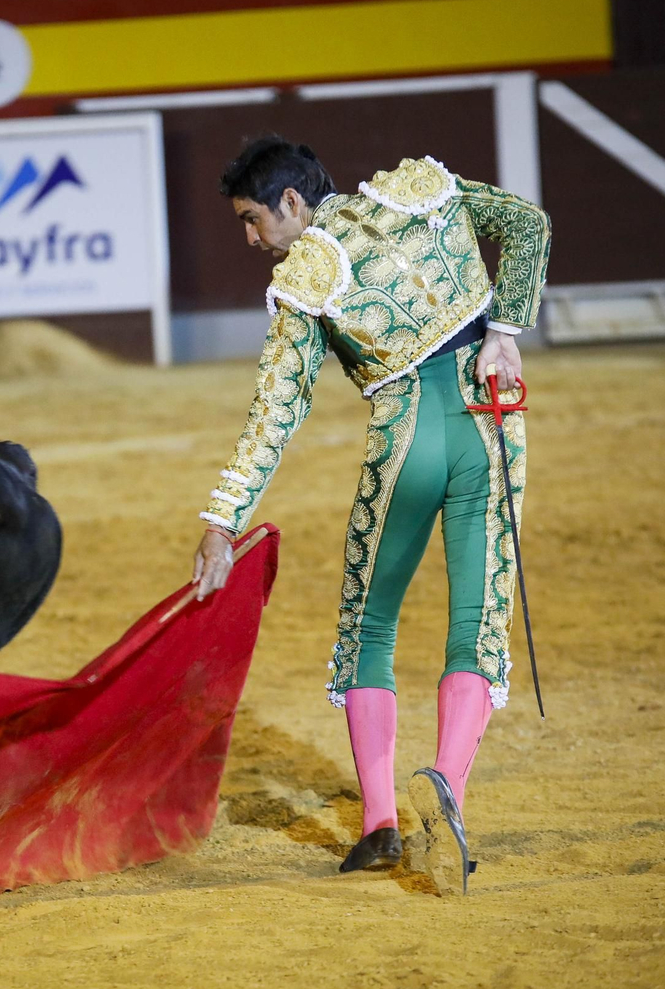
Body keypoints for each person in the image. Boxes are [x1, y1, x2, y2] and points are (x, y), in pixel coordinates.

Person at [189, 136, 550, 890]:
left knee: (369, 624)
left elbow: (275, 412)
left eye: (253, 219)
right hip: (494, 422)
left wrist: (224, 517)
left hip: (407, 439)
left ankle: (381, 824)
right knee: (478, 620)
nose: (252, 239)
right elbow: (529, 225)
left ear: (292, 202)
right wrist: (506, 332)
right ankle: (447, 785)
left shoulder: (306, 275)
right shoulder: (423, 189)